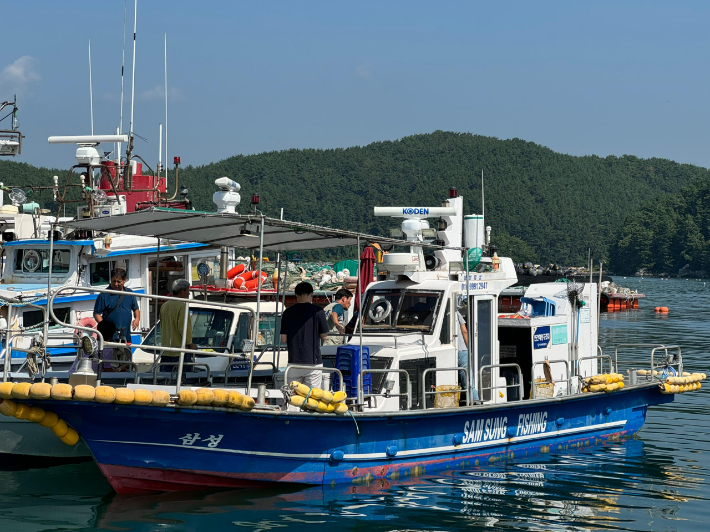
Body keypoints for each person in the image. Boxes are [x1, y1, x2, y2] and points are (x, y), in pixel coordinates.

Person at [280, 281, 328, 389]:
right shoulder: (318, 311)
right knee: (312, 397)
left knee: (293, 397)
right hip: (313, 362)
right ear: (312, 294)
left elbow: (283, 339)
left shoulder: (287, 313)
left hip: (294, 361)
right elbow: (324, 336)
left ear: (296, 295)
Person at [159, 279, 198, 371]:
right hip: (179, 351)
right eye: (188, 291)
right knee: (183, 381)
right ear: (182, 291)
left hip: (165, 350)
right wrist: (190, 343)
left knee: (165, 380)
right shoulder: (182, 306)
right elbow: (183, 328)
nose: (188, 294)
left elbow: (162, 325)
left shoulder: (164, 306)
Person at [93, 268, 140, 341]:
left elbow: (136, 309)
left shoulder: (130, 293)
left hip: (126, 337)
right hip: (109, 338)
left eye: (119, 281)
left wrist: (137, 319)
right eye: (113, 281)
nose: (116, 284)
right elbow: (97, 314)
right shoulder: (103, 295)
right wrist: (106, 327)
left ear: (124, 280)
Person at [457, 304, 479, 401]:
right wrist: (469, 349)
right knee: (469, 381)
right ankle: (475, 402)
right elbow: (464, 331)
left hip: (451, 351)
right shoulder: (456, 313)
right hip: (462, 349)